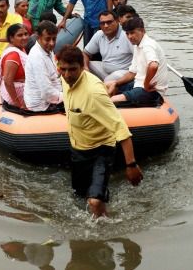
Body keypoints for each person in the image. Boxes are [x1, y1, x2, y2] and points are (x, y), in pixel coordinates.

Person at [56, 45, 143, 218]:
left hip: (101, 150)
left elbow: (121, 128)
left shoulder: (93, 93)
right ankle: (101, 198)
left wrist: (131, 165)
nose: (67, 75)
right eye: (63, 70)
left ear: (82, 67)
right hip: (78, 149)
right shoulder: (65, 80)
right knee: (79, 195)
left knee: (94, 202)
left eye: (72, 70)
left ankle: (105, 231)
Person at [106, 17, 169, 105]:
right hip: (138, 84)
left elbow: (153, 66)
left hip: (152, 91)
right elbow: (132, 73)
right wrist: (115, 83)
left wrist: (146, 84)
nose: (129, 37)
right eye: (127, 34)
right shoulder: (137, 45)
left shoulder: (148, 45)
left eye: (132, 33)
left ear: (142, 31)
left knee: (110, 101)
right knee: (106, 86)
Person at [84, 11, 134, 84]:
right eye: (102, 23)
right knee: (80, 66)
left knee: (108, 80)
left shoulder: (127, 35)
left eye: (109, 22)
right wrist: (85, 68)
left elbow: (140, 57)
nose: (106, 26)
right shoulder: (99, 34)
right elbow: (85, 53)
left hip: (124, 71)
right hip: (105, 69)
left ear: (117, 21)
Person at [23, 21, 63, 112]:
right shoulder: (37, 57)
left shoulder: (48, 50)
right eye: (48, 39)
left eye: (54, 39)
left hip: (50, 97)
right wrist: (67, 97)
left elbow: (54, 77)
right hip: (41, 106)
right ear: (38, 37)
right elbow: (46, 93)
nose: (52, 43)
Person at [0, 24, 29, 109]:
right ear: (11, 38)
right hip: (16, 97)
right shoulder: (13, 55)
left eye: (26, 34)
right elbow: (8, 82)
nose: (24, 37)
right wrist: (18, 104)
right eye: (20, 35)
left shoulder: (20, 48)